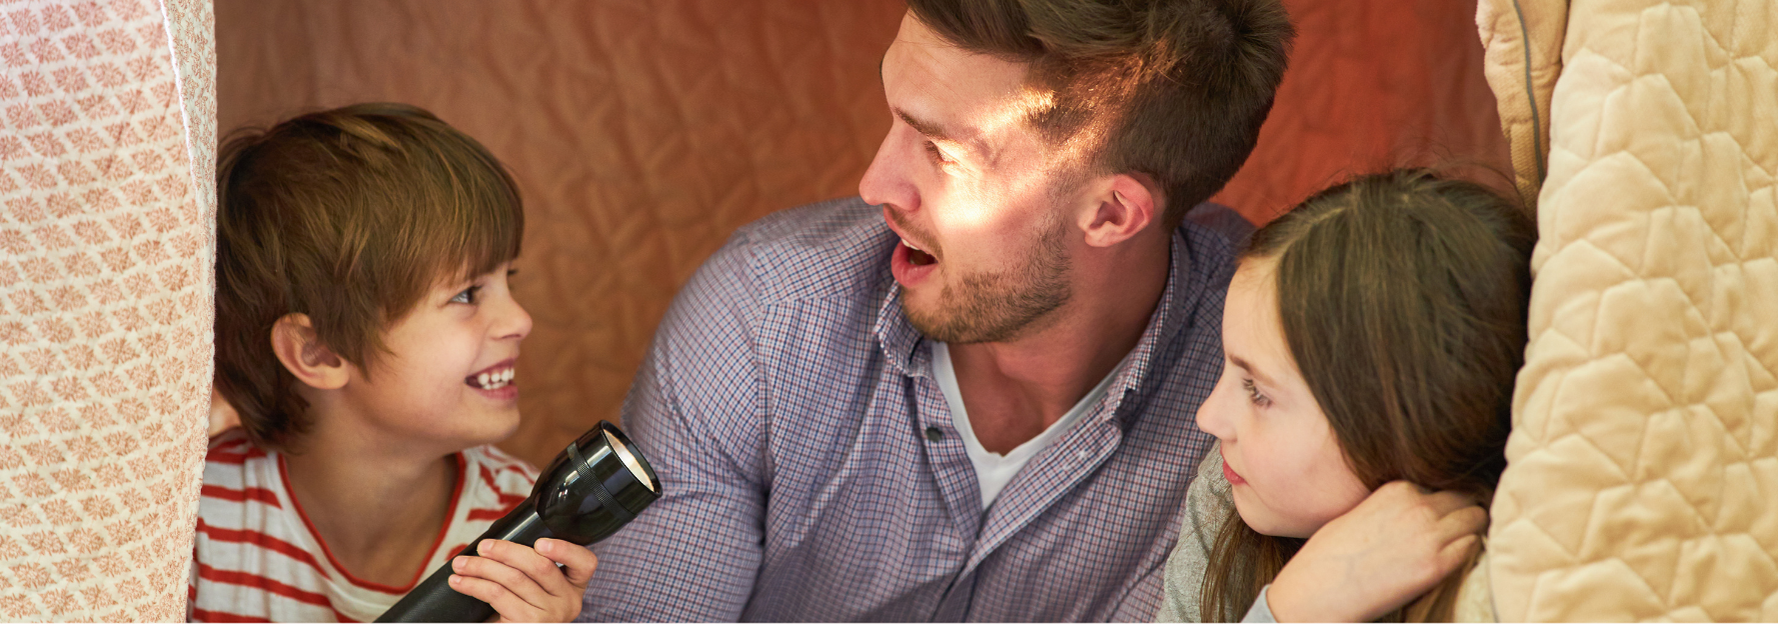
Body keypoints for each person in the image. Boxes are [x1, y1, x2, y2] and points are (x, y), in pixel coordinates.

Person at [581, 0, 1294, 620]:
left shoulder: (1279, 396)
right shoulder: (766, 315)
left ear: (1110, 213)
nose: (875, 184)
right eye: (895, 119)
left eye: (940, 152)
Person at [194, 104, 596, 622]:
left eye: (508, 280)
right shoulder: (194, 522)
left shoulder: (524, 529)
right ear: (318, 351)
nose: (520, 319)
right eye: (467, 294)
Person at [1154, 170, 1535, 622]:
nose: (1208, 417)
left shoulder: (1507, 591)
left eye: (1257, 392)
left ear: (1404, 429)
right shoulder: (1233, 493)